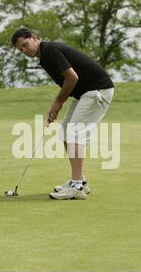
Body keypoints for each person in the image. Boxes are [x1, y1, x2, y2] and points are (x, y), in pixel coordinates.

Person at [11, 28, 114, 200]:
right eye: (21, 49)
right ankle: (79, 180)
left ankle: (76, 187)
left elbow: (72, 77)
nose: (25, 50)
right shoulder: (44, 57)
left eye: (25, 45)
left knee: (74, 133)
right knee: (66, 133)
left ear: (34, 38)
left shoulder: (50, 50)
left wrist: (58, 102)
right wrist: (57, 104)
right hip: (85, 94)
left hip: (98, 90)